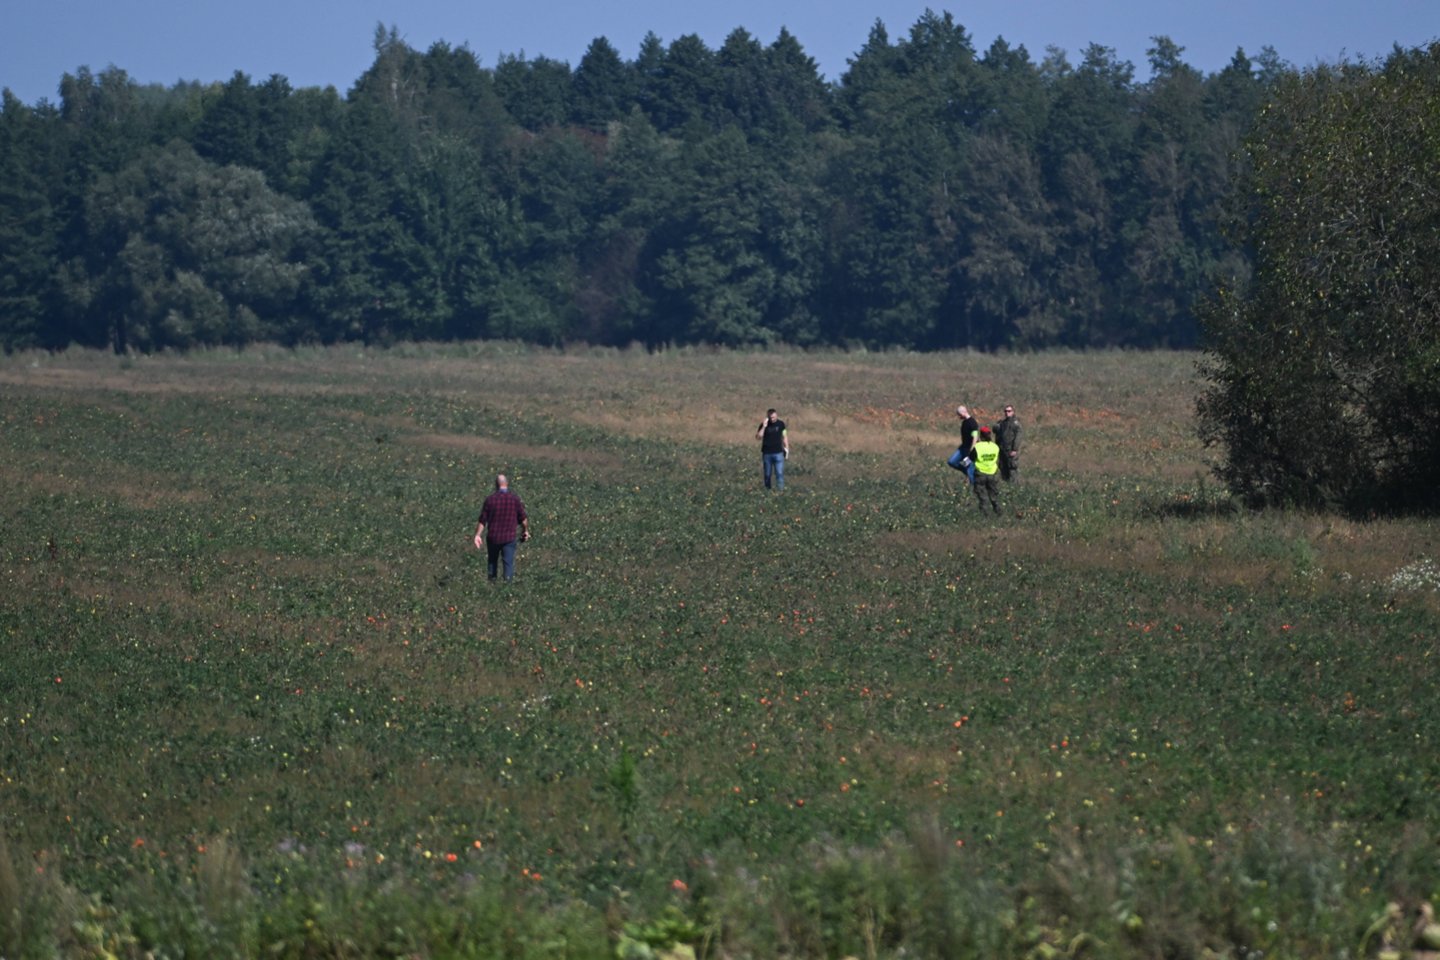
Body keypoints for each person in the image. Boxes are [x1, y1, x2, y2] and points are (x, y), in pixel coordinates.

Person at [473, 474, 530, 582]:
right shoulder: (514, 499)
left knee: (492, 562)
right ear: (507, 484)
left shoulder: (490, 500)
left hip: (493, 537)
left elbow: (482, 520)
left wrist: (478, 535)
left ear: (496, 485)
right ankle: (507, 586)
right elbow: (523, 519)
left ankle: (492, 583)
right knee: (508, 562)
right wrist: (525, 531)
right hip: (509, 538)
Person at [756, 408, 789, 491]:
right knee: (767, 474)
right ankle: (768, 491)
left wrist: (787, 448)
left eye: (774, 417)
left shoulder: (781, 424)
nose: (772, 419)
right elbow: (758, 437)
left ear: (776, 415)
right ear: (768, 417)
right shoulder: (764, 425)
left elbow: (784, 436)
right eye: (771, 418)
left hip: (778, 453)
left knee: (779, 473)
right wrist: (764, 426)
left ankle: (780, 491)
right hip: (767, 453)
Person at [971, 427, 1001, 514]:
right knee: (993, 494)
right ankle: (997, 510)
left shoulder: (978, 446)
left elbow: (971, 458)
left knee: (982, 495)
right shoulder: (995, 446)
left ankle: (985, 514)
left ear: (981, 436)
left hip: (980, 474)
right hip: (992, 473)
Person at [994, 404, 1022, 482]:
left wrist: (1015, 449)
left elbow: (1018, 437)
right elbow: (995, 431)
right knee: (1003, 467)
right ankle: (1006, 484)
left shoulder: (1015, 423)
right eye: (1006, 411)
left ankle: (1014, 487)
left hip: (1011, 450)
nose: (1007, 413)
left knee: (1012, 468)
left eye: (1009, 411)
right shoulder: (1002, 423)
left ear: (1013, 412)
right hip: (1002, 449)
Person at [956, 404, 979, 486]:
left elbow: (975, 437)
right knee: (952, 461)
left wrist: (971, 450)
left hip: (970, 449)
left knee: (969, 467)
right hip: (964, 448)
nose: (959, 417)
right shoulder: (964, 422)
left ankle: (974, 485)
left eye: (959, 415)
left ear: (962, 413)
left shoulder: (972, 423)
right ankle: (967, 476)